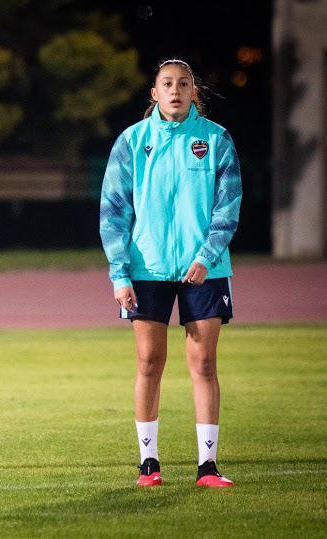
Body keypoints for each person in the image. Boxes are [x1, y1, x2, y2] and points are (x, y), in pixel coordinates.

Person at [99, 59, 242, 488]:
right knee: (148, 361)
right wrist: (119, 274)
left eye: (184, 84)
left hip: (207, 269)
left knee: (204, 362)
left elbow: (228, 205)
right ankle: (148, 464)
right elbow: (113, 212)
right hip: (147, 268)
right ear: (154, 93)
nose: (176, 90)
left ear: (193, 91)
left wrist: (206, 255)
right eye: (168, 84)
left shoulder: (216, 139)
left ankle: (208, 467)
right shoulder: (132, 141)